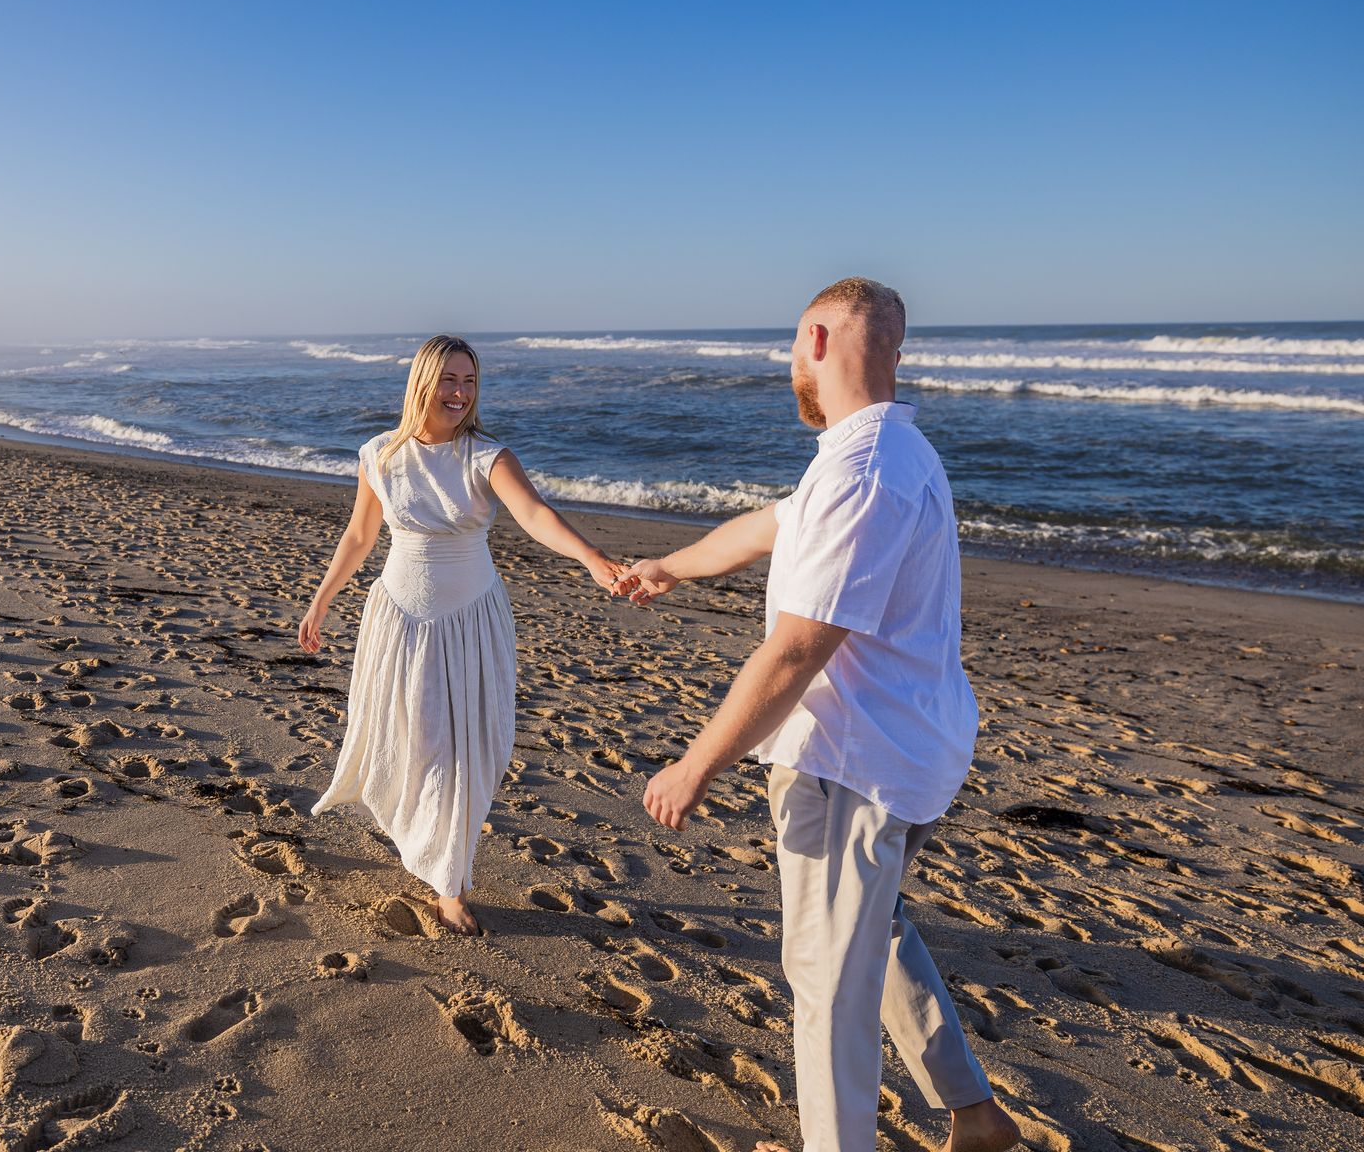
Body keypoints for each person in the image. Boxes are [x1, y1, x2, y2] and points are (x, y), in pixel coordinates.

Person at [614, 279, 1021, 1152]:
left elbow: (799, 647)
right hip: (905, 742)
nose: (789, 365)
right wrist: (669, 567)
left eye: (793, 348)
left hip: (856, 758)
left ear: (817, 339)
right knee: (875, 932)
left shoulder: (863, 471)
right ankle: (977, 1115)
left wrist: (697, 764)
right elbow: (769, 527)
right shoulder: (882, 449)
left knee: (827, 979)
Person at [301, 333, 623, 935]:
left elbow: (535, 516)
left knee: (472, 751)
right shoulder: (379, 455)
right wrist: (321, 601)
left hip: (472, 619)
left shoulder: (487, 457)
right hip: (400, 617)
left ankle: (450, 878)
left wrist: (592, 558)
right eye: (449, 379)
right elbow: (358, 537)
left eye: (469, 381)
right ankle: (439, 868)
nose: (459, 393)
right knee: (415, 741)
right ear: (423, 381)